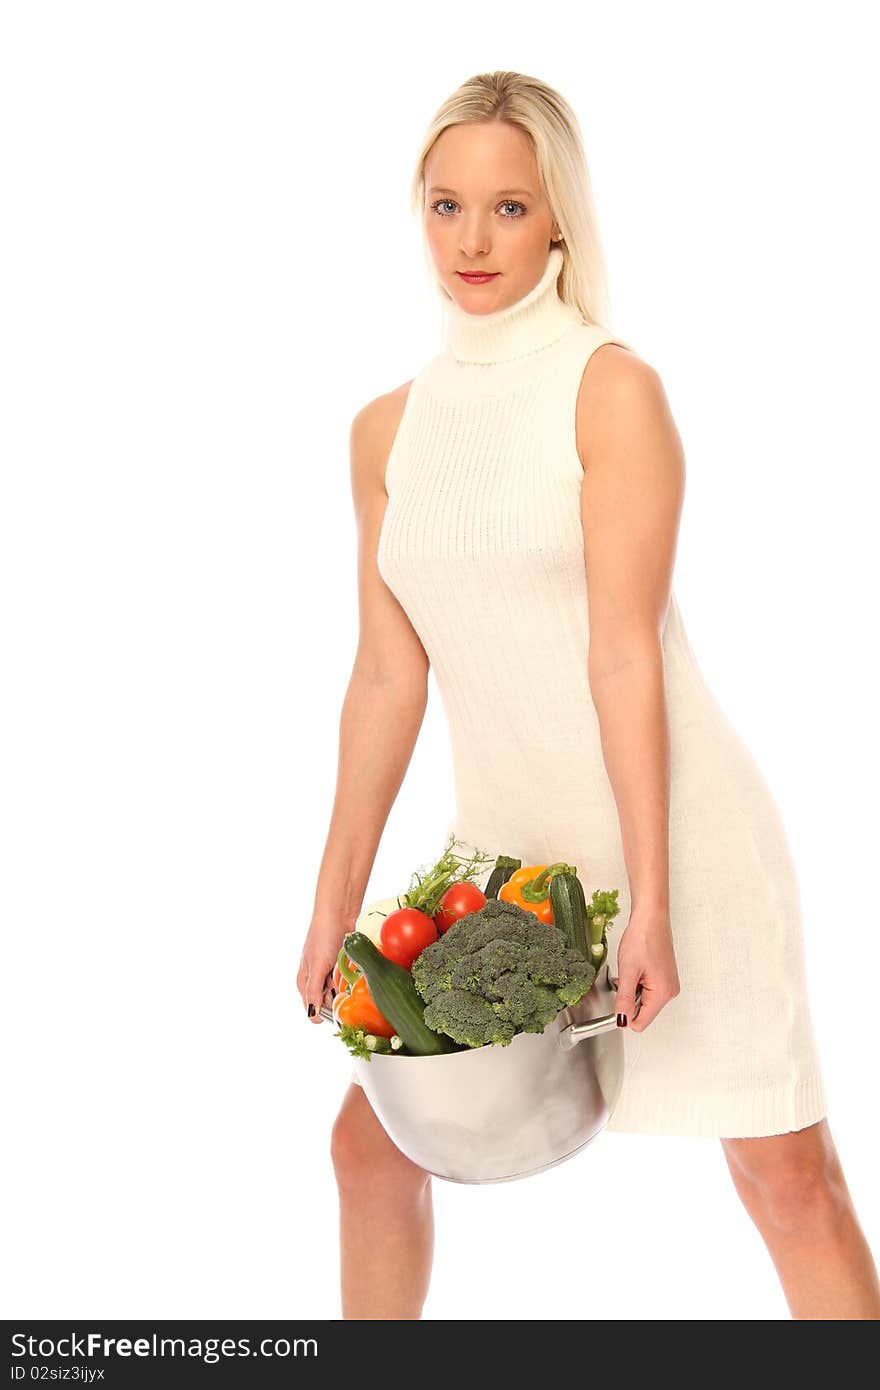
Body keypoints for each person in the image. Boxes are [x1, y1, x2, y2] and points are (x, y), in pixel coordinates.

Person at [297, 69, 879, 1320]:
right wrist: (332, 907)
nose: (472, 239)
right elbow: (387, 674)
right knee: (367, 1153)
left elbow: (622, 653)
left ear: (559, 217)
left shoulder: (610, 390)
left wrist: (652, 904)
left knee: (787, 1182)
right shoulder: (383, 432)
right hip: (502, 872)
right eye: (447, 205)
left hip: (676, 847)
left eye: (508, 208)